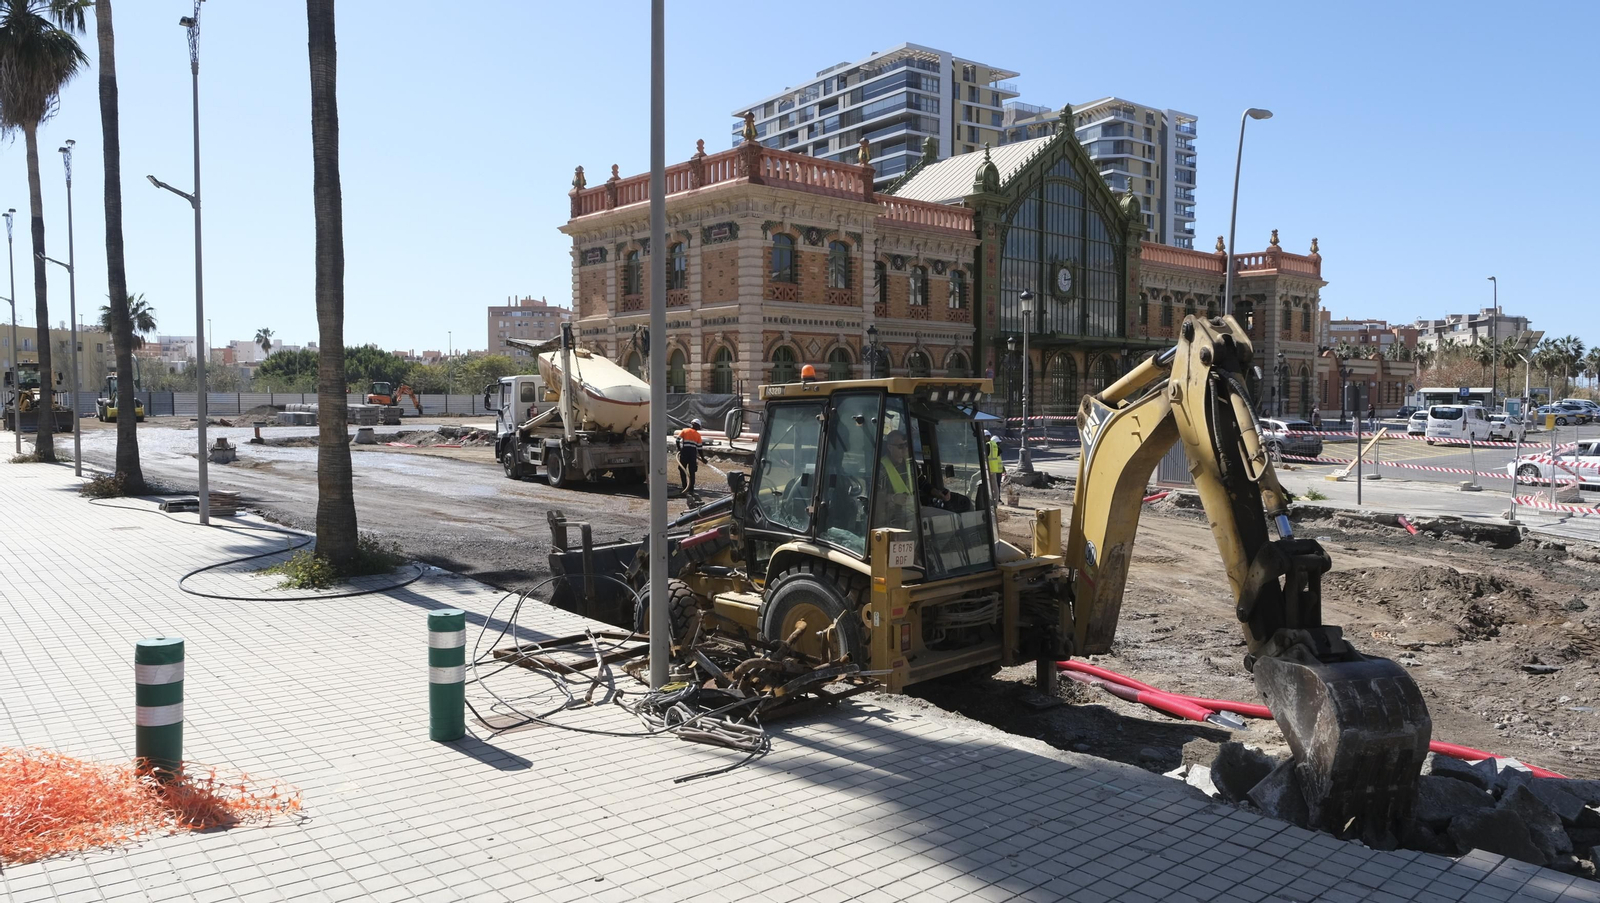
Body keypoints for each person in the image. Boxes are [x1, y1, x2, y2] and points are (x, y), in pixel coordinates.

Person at [678, 418, 703, 495]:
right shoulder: (698, 435)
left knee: (682, 470)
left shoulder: (684, 431)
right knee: (692, 472)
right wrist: (703, 458)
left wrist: (680, 449)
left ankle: (684, 487)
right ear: (698, 426)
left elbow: (677, 440)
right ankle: (691, 489)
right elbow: (699, 449)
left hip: (684, 453)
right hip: (692, 454)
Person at [985, 429, 1004, 502]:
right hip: (996, 469)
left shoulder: (991, 446)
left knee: (994, 486)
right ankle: (996, 499)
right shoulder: (995, 447)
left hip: (992, 469)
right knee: (996, 486)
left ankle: (995, 499)